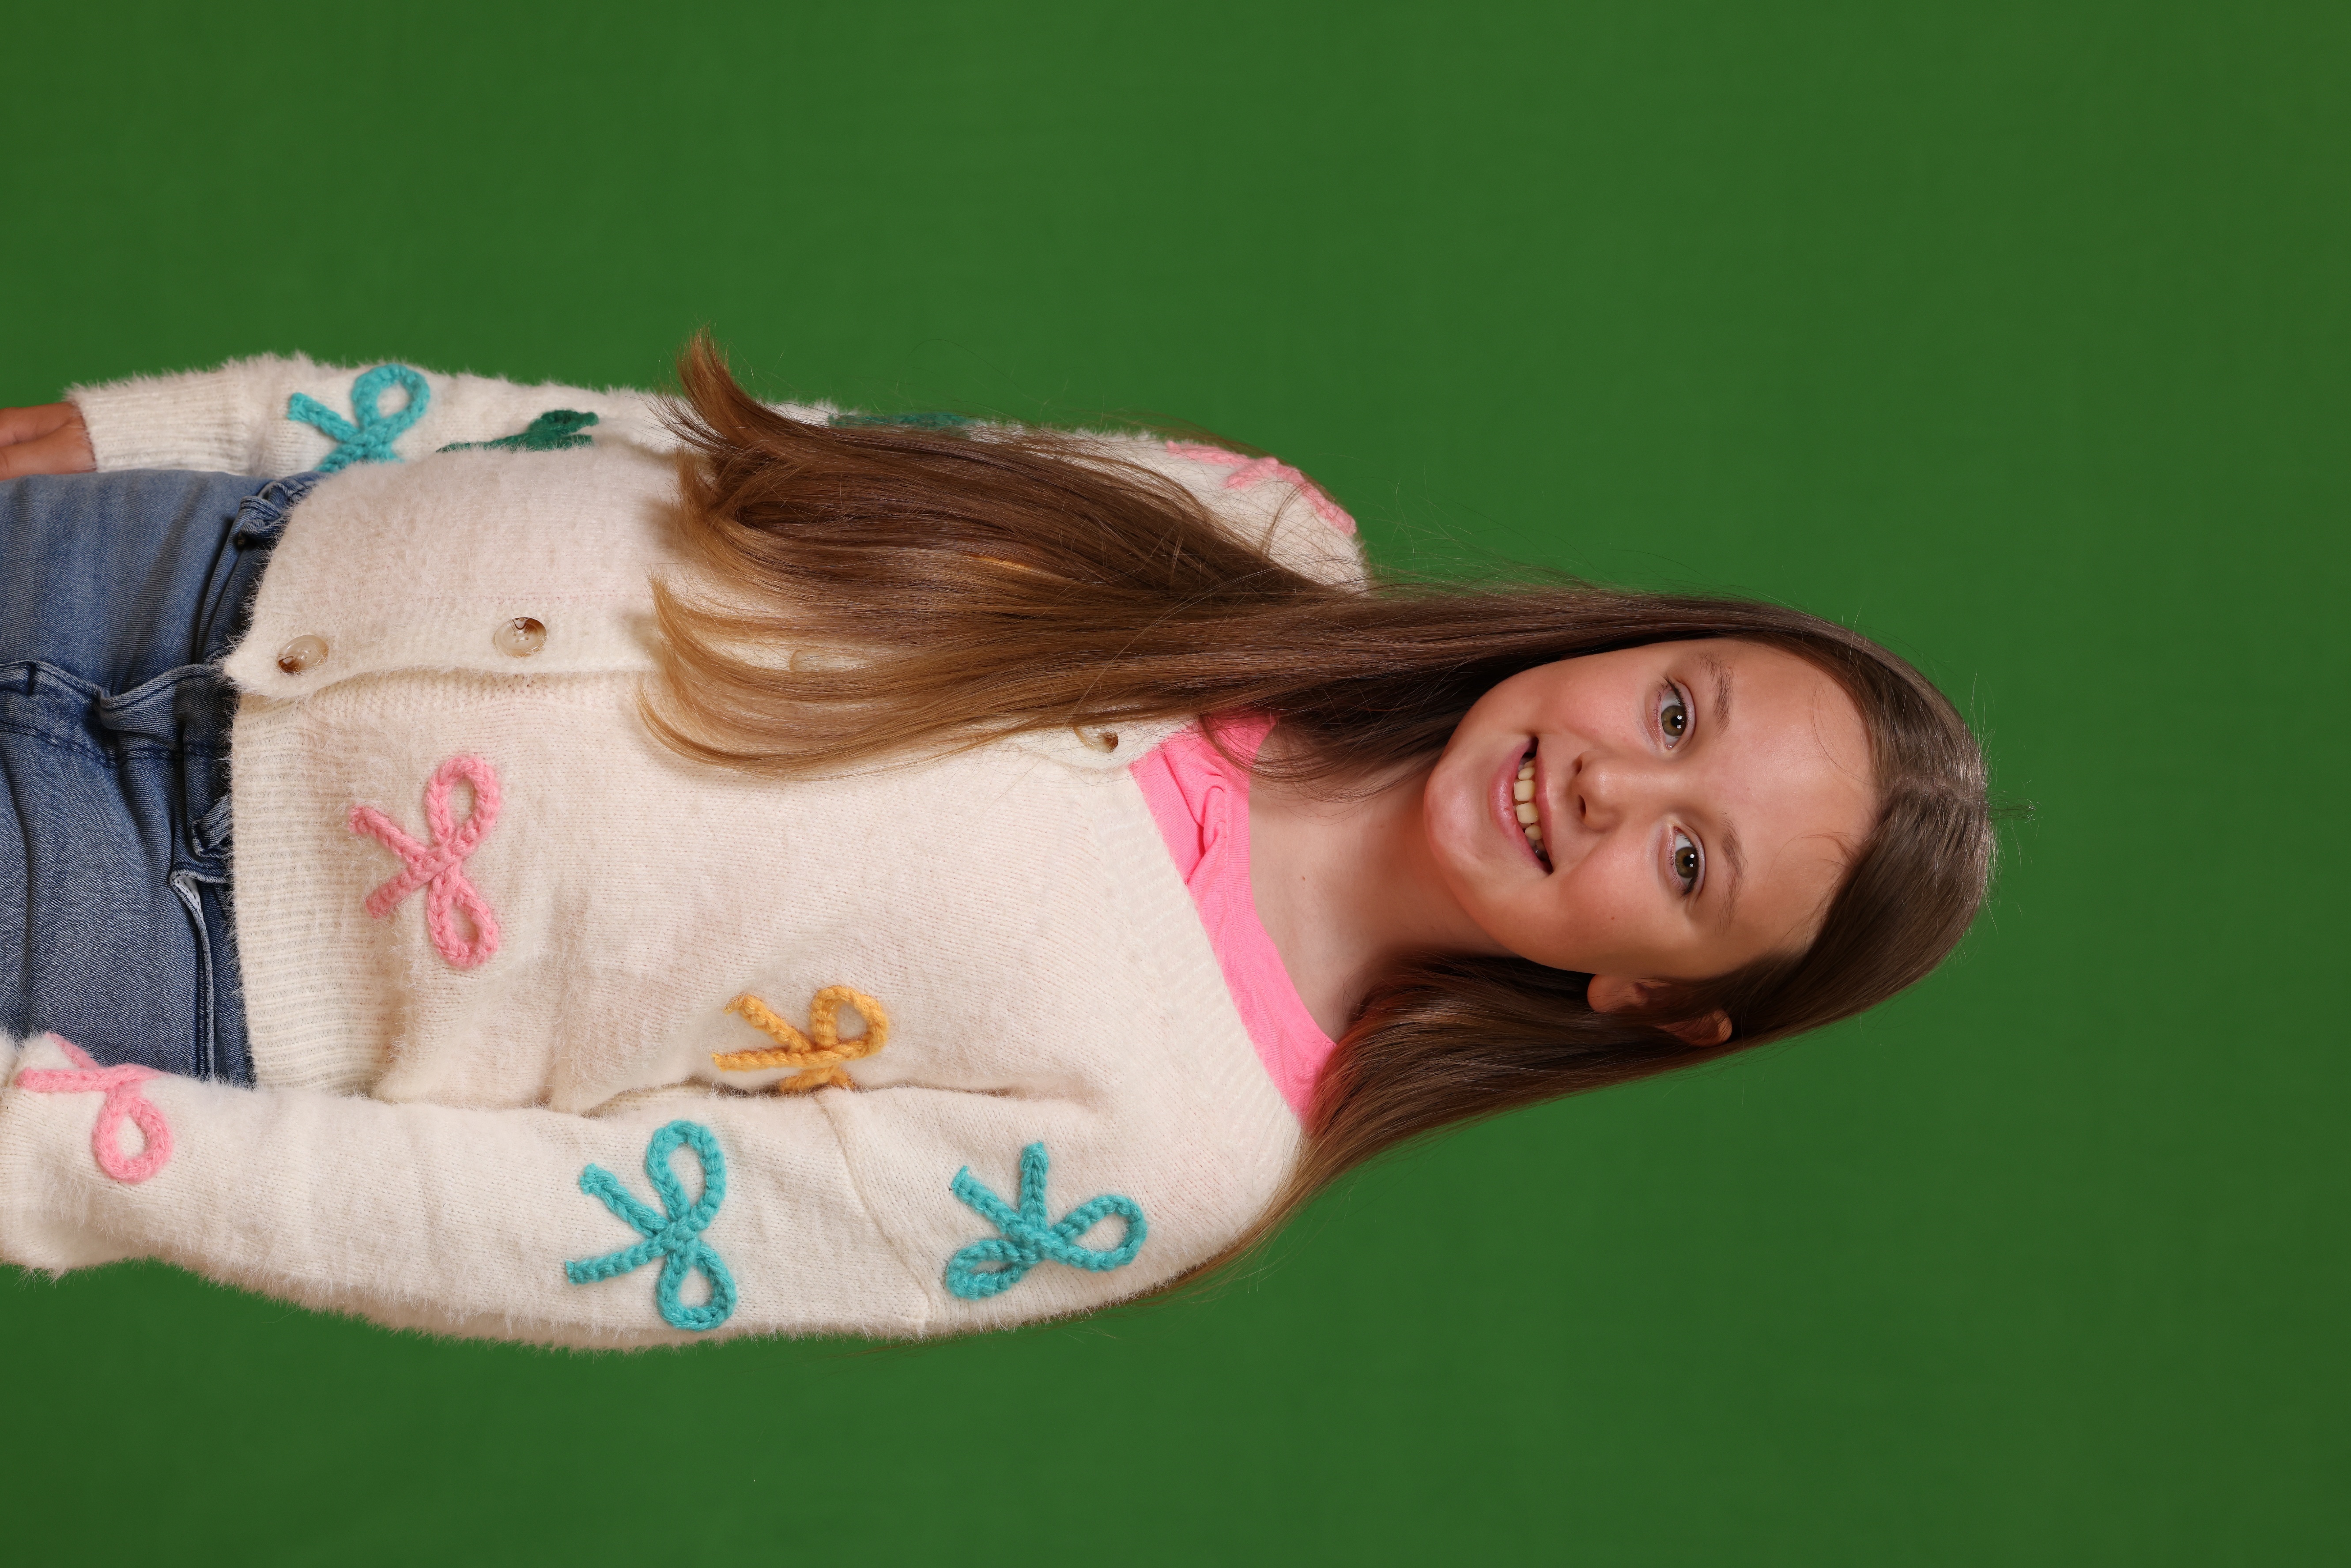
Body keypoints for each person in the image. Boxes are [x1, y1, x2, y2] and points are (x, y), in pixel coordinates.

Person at [0, 341, 1991, 1345]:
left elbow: (575, 1238)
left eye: (1693, 866)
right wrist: (222, 423)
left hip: (174, 937)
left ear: (1649, 996)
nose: (1620, 787)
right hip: (186, 553)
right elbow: (738, 458)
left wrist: (88, 1161)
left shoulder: (1175, 1150)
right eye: (1678, 712)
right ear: (1642, 641)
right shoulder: (1249, 530)